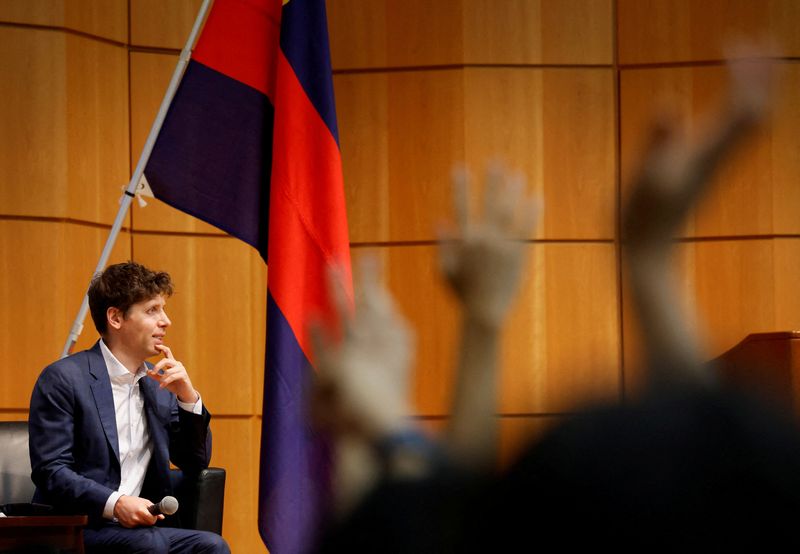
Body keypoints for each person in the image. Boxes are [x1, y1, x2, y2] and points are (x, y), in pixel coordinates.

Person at [29, 261, 229, 553]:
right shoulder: (63, 379)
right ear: (116, 318)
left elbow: (194, 460)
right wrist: (116, 503)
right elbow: (52, 471)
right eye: (152, 310)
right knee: (151, 546)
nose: (166, 321)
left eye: (163, 309)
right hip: (79, 526)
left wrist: (188, 398)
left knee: (212, 546)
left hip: (142, 531)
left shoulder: (157, 384)